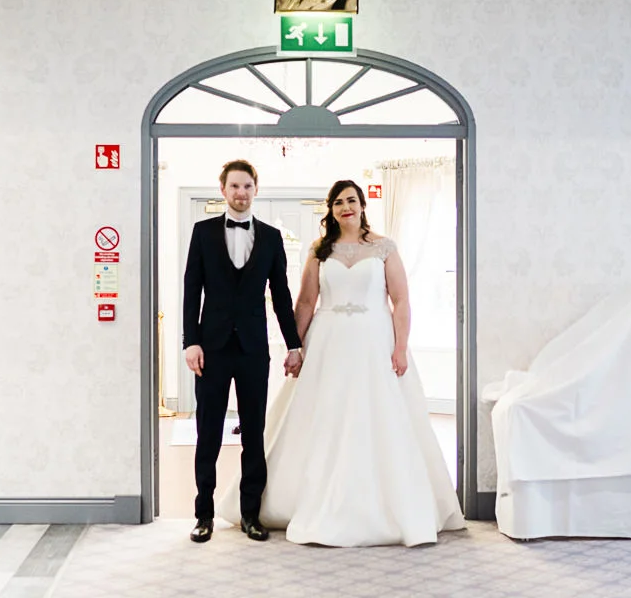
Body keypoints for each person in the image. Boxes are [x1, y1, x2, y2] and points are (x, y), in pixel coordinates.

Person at [217, 180, 466, 546]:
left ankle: (387, 508)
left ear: (362, 205)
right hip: (327, 343)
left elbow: (400, 300)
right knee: (322, 417)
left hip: (374, 342)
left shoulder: (384, 247)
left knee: (377, 418)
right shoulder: (320, 250)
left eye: (351, 200)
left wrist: (400, 347)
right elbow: (305, 302)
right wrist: (295, 347)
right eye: (338, 202)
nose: (345, 207)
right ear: (331, 210)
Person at [182, 159, 303, 543]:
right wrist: (190, 341)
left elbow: (281, 295)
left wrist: (294, 344)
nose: (241, 192)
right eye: (234, 186)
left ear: (256, 189)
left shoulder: (271, 237)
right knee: (208, 434)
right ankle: (203, 514)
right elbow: (191, 290)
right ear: (223, 189)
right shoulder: (202, 232)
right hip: (211, 349)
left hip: (253, 349)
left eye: (247, 186)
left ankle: (251, 514)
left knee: (254, 432)